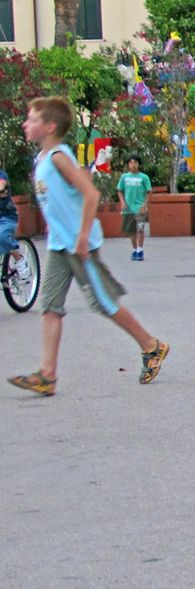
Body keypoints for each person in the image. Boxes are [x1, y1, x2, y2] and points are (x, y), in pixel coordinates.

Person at [8, 97, 169, 397]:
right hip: (59, 245)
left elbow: (91, 194)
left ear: (50, 126)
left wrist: (82, 237)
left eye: (31, 120)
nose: (25, 124)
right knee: (50, 307)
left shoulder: (58, 156)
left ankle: (151, 346)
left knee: (104, 303)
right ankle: (47, 375)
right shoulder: (42, 158)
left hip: (78, 244)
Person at [116, 154, 151, 261]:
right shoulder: (124, 177)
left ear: (139, 164)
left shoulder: (144, 177)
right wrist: (122, 202)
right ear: (128, 165)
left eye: (136, 162)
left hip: (139, 208)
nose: (133, 165)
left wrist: (145, 205)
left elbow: (149, 192)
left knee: (140, 229)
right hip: (128, 208)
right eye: (131, 162)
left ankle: (140, 250)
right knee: (131, 231)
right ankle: (135, 249)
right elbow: (119, 190)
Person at [0, 169, 31, 282]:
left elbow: (2, 186)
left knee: (2, 236)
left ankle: (19, 260)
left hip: (6, 218)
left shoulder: (2, 176)